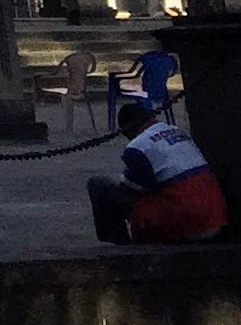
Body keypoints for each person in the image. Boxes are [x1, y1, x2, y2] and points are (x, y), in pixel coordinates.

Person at [88, 100, 227, 244]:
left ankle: (122, 246)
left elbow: (130, 190)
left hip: (185, 220)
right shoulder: (177, 131)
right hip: (213, 216)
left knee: (99, 185)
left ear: (127, 129)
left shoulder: (138, 146)